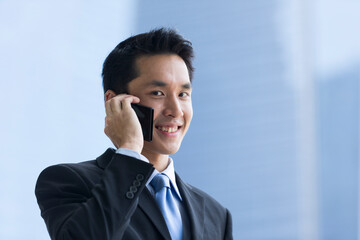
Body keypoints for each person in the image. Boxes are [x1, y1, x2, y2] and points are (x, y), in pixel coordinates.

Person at [35, 28, 233, 240]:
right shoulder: (68, 181)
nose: (175, 110)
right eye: (158, 93)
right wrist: (129, 148)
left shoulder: (216, 215)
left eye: (183, 94)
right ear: (115, 101)